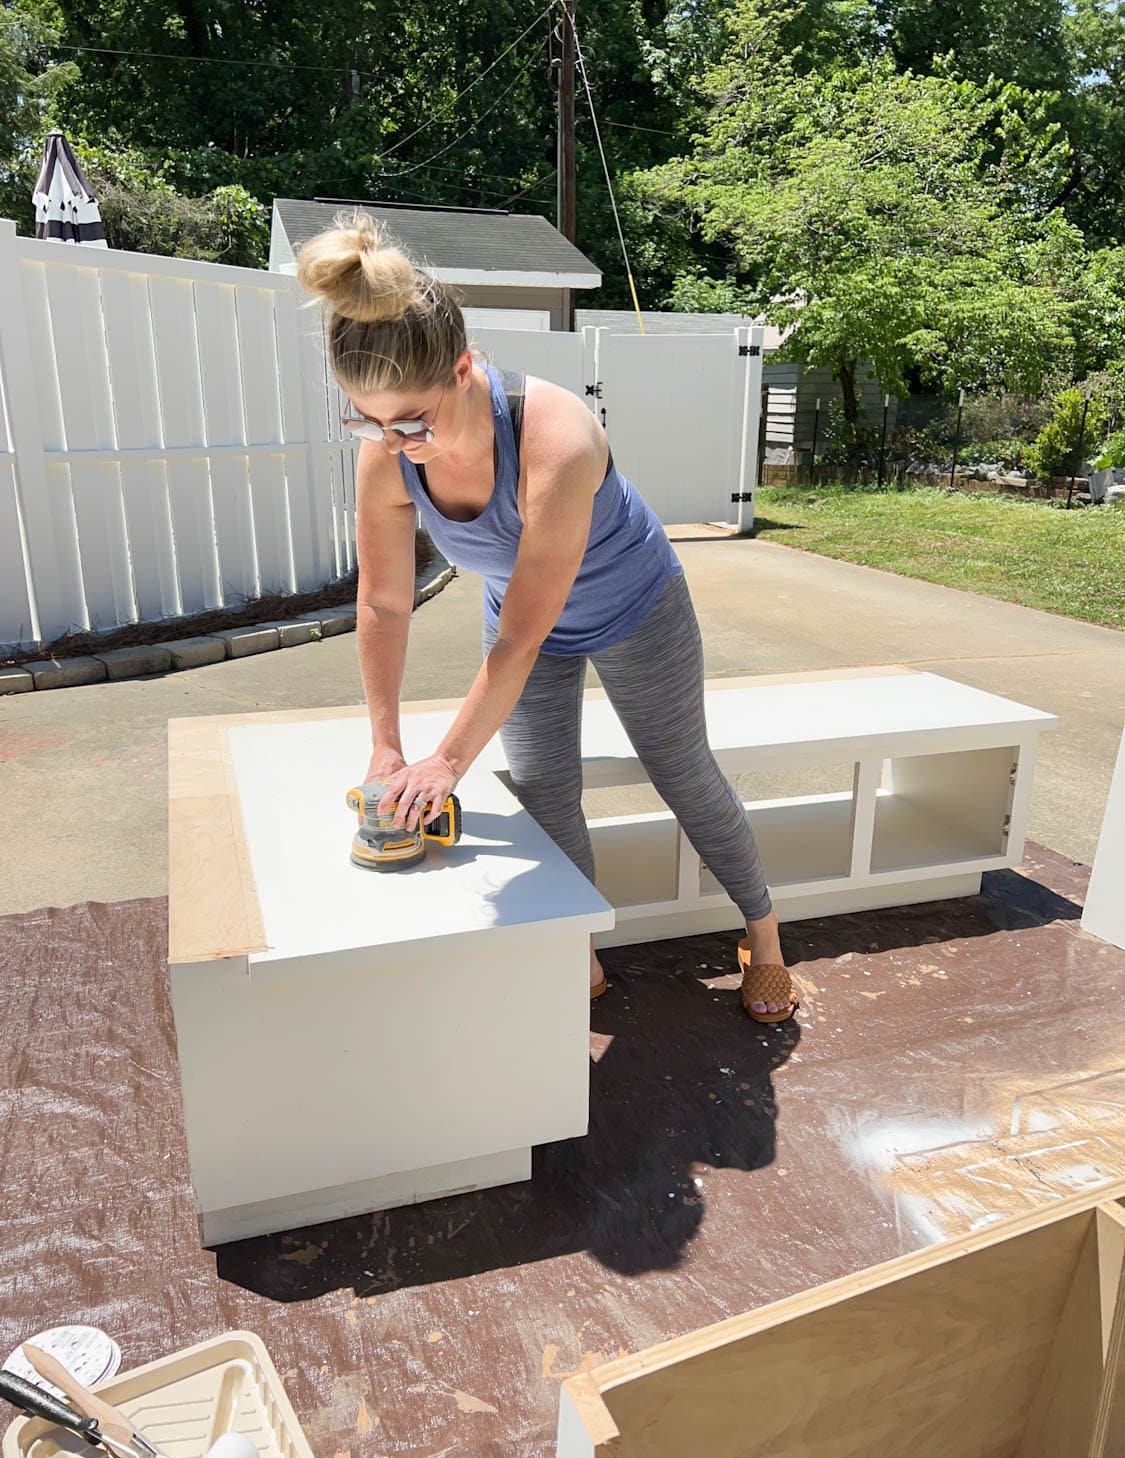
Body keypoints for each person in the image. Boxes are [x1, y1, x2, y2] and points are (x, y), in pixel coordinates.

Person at [296, 211, 799, 1024]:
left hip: (634, 605)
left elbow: (524, 636)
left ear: (462, 368)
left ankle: (765, 938)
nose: (395, 441)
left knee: (682, 772)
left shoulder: (554, 436)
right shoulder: (389, 453)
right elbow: (384, 603)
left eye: (410, 420)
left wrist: (445, 765)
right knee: (541, 788)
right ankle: (579, 947)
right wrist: (388, 747)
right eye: (368, 420)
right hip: (525, 618)